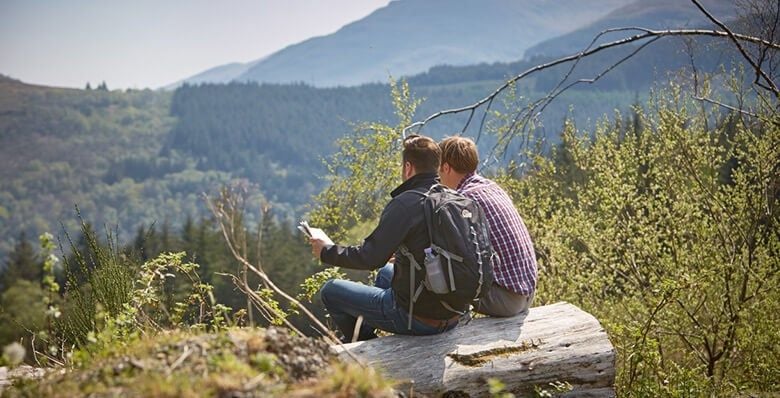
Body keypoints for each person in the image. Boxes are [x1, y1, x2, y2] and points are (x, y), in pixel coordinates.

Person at [309, 134, 467, 342]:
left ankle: (366, 346)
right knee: (386, 272)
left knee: (331, 290)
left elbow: (369, 258)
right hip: (454, 313)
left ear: (408, 167)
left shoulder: (406, 204)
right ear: (437, 167)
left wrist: (326, 250)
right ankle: (370, 329)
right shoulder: (454, 198)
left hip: (417, 318)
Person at [438, 136, 537, 317]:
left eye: (439, 169)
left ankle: (442, 334)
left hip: (506, 298)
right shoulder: (490, 186)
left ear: (446, 167)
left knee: (435, 276)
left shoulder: (463, 201)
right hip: (526, 294)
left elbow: (453, 254)